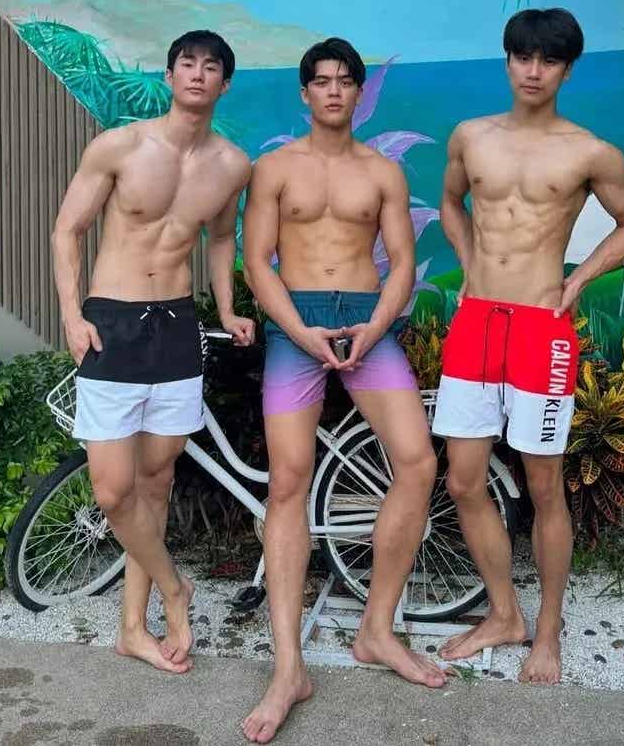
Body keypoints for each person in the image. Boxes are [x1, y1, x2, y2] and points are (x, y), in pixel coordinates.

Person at [432, 8, 624, 685]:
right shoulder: (471, 136)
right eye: (523, 57)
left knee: (544, 484)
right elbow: (450, 203)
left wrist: (579, 278)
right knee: (463, 479)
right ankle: (505, 614)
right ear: (507, 61)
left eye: (548, 60)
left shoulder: (590, 152)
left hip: (540, 328)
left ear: (567, 70)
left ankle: (547, 629)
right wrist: (468, 264)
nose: (533, 71)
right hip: (477, 322)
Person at [241, 37, 444, 744]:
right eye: (321, 81)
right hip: (295, 324)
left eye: (345, 80)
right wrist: (300, 332)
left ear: (359, 92)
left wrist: (373, 326)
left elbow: (403, 263)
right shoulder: (274, 169)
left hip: (367, 322)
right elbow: (257, 262)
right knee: (288, 480)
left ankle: (375, 631)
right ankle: (288, 668)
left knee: (417, 463)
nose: (333, 90)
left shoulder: (382, 172)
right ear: (305, 93)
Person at [51, 29, 255, 675]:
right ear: (169, 76)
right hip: (111, 323)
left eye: (211, 67)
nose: (197, 74)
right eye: (186, 64)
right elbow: (68, 230)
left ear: (224, 83)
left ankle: (132, 629)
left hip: (175, 325)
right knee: (114, 491)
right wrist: (71, 316)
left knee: (155, 482)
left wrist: (226, 308)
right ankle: (175, 588)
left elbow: (219, 239)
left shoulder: (233, 165)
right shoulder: (119, 146)